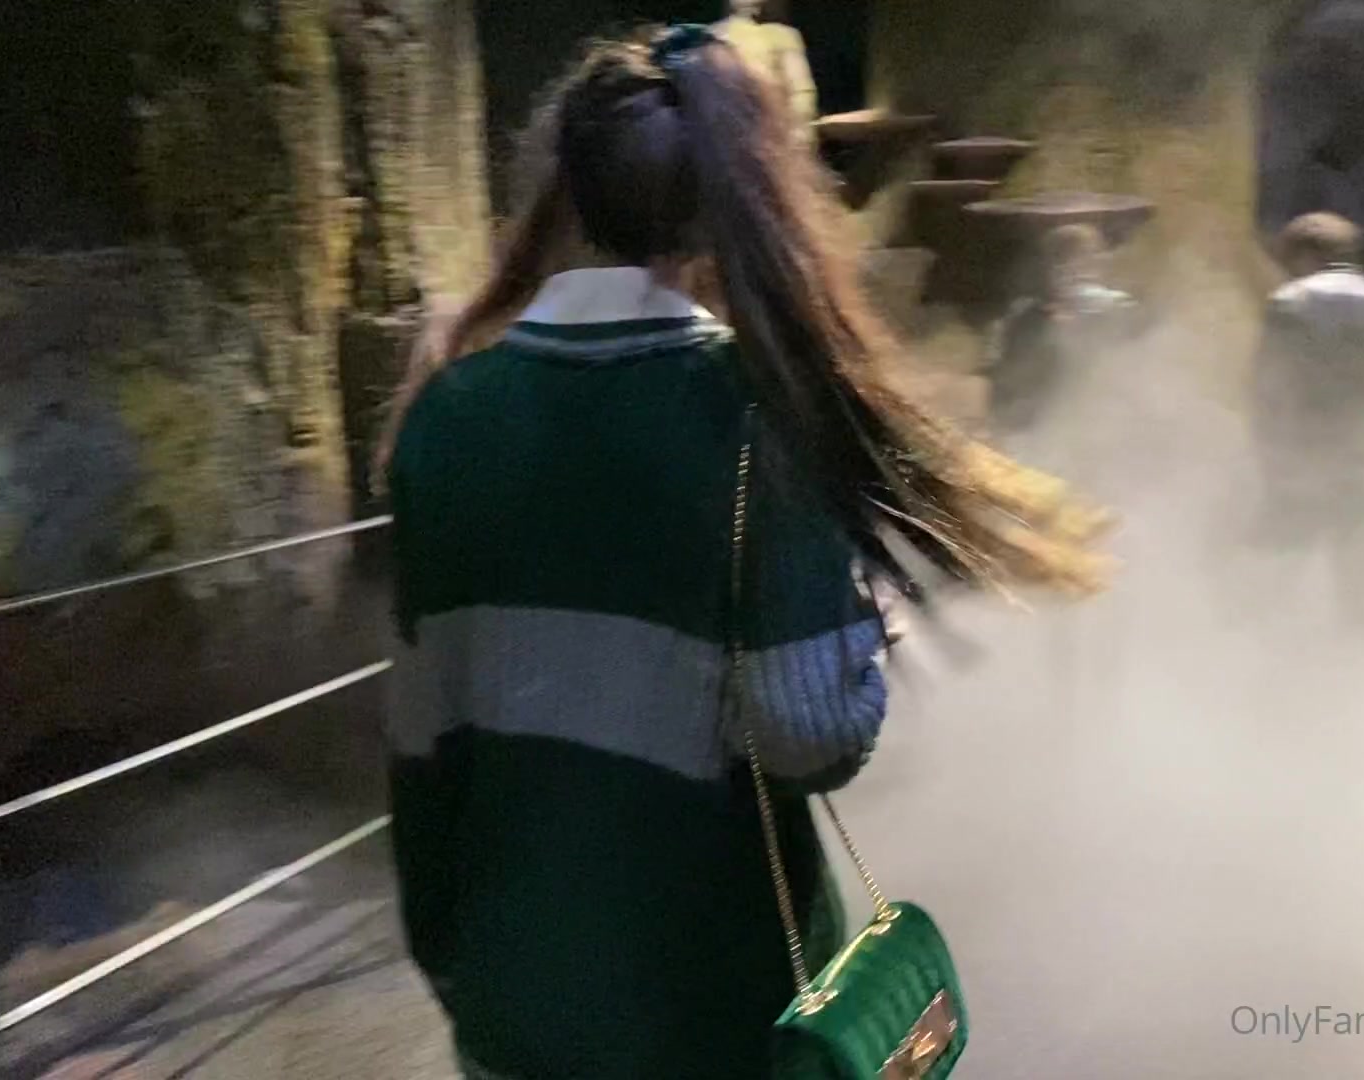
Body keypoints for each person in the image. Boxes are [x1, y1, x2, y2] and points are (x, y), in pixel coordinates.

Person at [375, 26, 1103, 1079]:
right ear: (737, 198)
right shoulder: (761, 416)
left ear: (566, 188)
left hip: (512, 994)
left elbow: (421, 741)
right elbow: (808, 736)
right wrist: (870, 628)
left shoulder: (447, 415)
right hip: (713, 1008)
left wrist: (453, 960)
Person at [1248, 213, 1364, 630]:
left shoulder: (1288, 302)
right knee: (1359, 551)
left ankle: (1279, 640)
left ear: (1305, 255)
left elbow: (1270, 386)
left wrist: (1268, 447)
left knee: (1289, 551)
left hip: (1303, 444)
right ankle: (1358, 639)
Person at [985, 223, 1137, 437]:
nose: (1102, 259)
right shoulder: (1029, 316)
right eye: (1091, 254)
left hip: (1070, 422)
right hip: (1056, 423)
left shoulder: (1024, 313)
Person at [712, 0, 818, 143]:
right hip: (722, 134)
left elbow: (801, 91)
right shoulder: (711, 36)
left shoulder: (781, 35)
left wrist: (798, 129)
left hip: (772, 133)